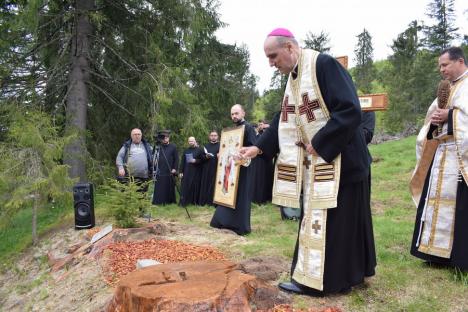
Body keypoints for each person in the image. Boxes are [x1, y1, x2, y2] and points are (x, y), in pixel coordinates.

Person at [240, 28, 376, 295]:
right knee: (339, 222)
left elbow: (350, 109)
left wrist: (321, 142)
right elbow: (284, 120)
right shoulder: (294, 77)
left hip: (342, 162)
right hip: (324, 162)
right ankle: (350, 274)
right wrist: (257, 149)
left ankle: (322, 282)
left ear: (290, 47)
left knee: (336, 223)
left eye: (273, 56)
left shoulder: (323, 65)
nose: (271, 63)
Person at [410, 46, 468, 270]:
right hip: (442, 155)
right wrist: (435, 122)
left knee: (459, 206)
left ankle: (458, 258)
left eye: (445, 65)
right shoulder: (446, 88)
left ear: (460, 62)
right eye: (440, 66)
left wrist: (450, 116)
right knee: (433, 204)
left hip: (461, 158)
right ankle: (434, 253)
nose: (441, 70)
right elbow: (431, 125)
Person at [210, 104, 257, 235]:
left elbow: (254, 148)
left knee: (240, 195)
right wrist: (222, 154)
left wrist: (242, 156)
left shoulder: (248, 128)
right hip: (229, 168)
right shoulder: (231, 130)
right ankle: (224, 221)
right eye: (232, 114)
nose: (234, 116)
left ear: (243, 113)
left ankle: (238, 226)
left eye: (236, 113)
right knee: (227, 193)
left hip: (242, 168)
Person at [115, 128, 153, 192]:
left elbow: (155, 156)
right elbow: (119, 157)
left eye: (139, 134)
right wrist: (120, 168)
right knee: (128, 195)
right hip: (129, 176)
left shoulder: (147, 146)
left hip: (144, 176)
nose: (137, 136)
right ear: (131, 136)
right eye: (135, 134)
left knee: (142, 196)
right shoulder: (127, 146)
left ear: (141, 135)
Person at [152, 131, 179, 205]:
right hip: (159, 170)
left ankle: (169, 202)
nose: (164, 139)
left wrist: (175, 168)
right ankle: (159, 201)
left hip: (170, 170)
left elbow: (176, 159)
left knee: (169, 186)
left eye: (166, 138)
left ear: (168, 138)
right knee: (160, 186)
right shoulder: (158, 146)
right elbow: (153, 157)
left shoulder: (173, 146)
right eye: (163, 138)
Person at [252, 120, 274, 204]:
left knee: (268, 179)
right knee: (259, 179)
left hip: (268, 161)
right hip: (259, 162)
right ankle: (260, 198)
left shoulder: (273, 137)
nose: (265, 130)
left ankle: (269, 197)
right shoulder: (259, 137)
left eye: (267, 129)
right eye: (263, 129)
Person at [179, 136, 203, 206]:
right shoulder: (186, 150)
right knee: (185, 187)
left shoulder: (199, 150)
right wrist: (181, 172)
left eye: (192, 141)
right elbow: (182, 162)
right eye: (189, 141)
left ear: (195, 141)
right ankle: (184, 202)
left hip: (196, 172)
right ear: (188, 142)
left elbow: (202, 160)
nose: (191, 142)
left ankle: (193, 202)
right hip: (186, 171)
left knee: (194, 186)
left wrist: (195, 160)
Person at [199, 130, 220, 206]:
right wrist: (206, 156)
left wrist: (220, 156)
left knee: (215, 184)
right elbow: (201, 158)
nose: (213, 137)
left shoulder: (221, 145)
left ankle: (215, 202)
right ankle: (205, 201)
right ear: (209, 137)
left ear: (217, 136)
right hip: (207, 168)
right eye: (212, 135)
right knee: (206, 184)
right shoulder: (206, 146)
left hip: (217, 168)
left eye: (215, 135)